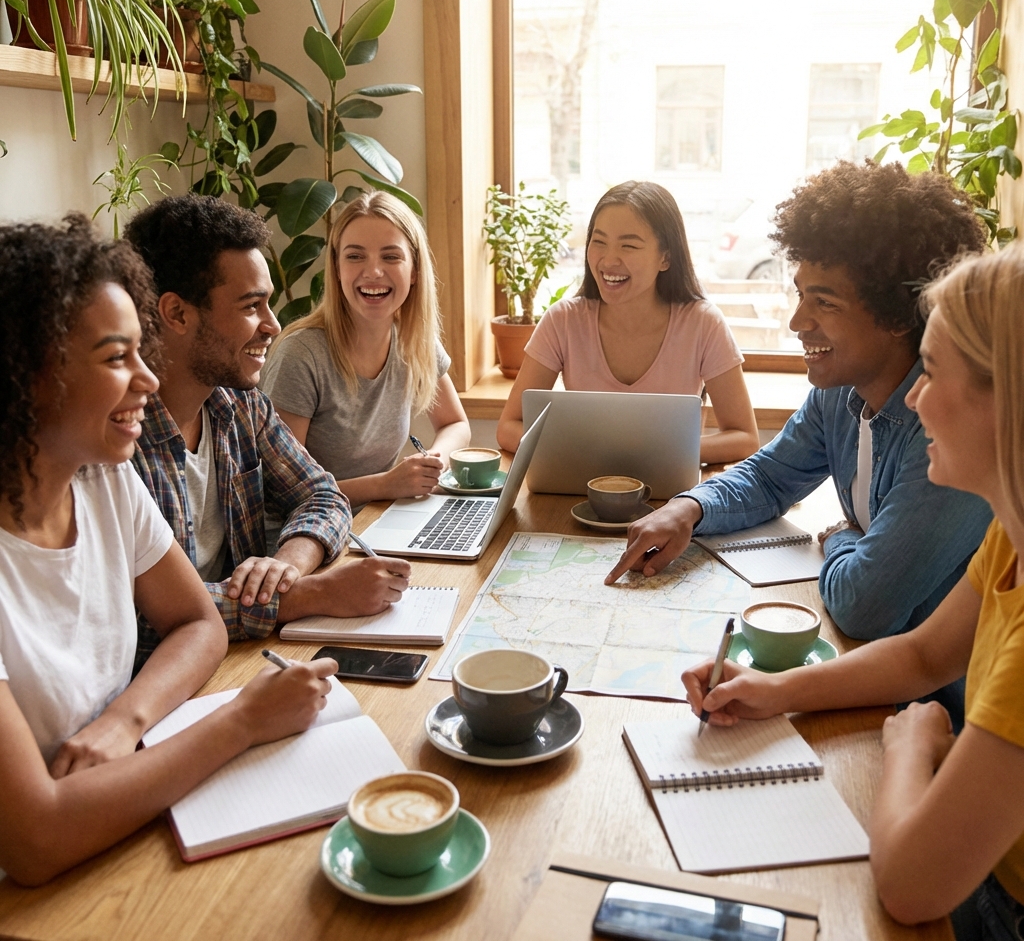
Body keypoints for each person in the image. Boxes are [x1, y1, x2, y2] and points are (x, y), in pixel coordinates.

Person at [682, 246, 1024, 935]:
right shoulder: (1008, 538)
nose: (916, 398)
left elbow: (910, 887)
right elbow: (924, 656)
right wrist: (774, 691)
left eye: (933, 372)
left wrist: (910, 744)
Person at [0, 215, 338, 886]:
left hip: (116, 823)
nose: (148, 380)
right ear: (28, 375)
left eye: (141, 351)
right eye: (115, 358)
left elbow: (197, 623)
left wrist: (124, 721)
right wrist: (241, 721)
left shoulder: (101, 480)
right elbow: (34, 840)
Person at [606, 163, 992, 714]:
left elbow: (864, 605)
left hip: (943, 712)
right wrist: (689, 507)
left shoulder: (952, 433)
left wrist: (840, 539)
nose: (796, 322)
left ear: (897, 315)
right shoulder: (840, 390)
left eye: (825, 303)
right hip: (875, 680)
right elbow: (770, 476)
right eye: (800, 295)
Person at [124, 195, 410, 667]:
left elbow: (322, 496)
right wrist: (305, 596)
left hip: (239, 656)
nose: (273, 325)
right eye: (251, 306)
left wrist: (287, 567)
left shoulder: (239, 403)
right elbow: (137, 618)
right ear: (176, 314)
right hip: (167, 679)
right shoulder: (117, 441)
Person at [496, 180, 759, 464]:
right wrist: (575, 448)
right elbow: (509, 427)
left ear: (665, 258)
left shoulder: (704, 324)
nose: (609, 260)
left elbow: (745, 438)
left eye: (629, 245)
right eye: (599, 242)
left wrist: (659, 452)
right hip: (582, 484)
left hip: (673, 489)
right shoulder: (562, 321)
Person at [261, 191, 471, 507]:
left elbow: (455, 424)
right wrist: (386, 485)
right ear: (336, 268)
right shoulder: (301, 354)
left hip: (378, 517)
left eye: (391, 256)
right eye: (355, 256)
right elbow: (283, 490)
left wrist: (432, 464)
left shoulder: (414, 339)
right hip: (307, 526)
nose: (373, 272)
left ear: (414, 271)